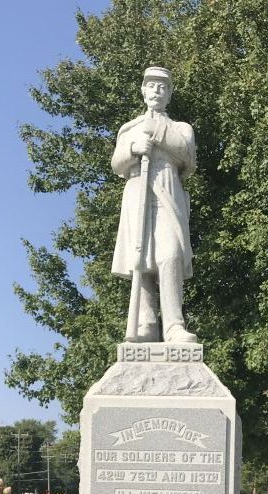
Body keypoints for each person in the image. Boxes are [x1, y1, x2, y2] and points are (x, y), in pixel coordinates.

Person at [111, 66, 197, 343]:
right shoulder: (130, 128)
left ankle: (173, 325)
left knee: (170, 254)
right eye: (152, 86)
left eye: (163, 87)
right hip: (138, 190)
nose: (157, 91)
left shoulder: (180, 128)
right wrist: (134, 149)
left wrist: (157, 132)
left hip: (168, 189)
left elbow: (188, 158)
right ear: (143, 91)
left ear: (169, 93)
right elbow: (116, 164)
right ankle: (145, 324)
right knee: (142, 258)